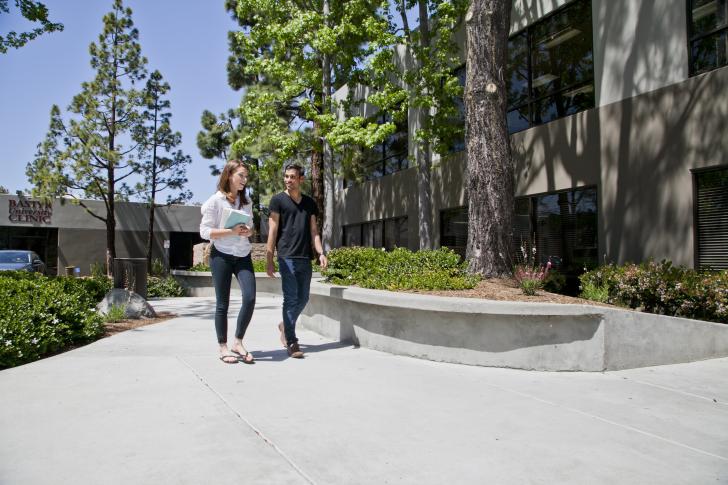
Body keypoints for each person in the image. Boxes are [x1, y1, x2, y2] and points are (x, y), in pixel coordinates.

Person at [266, 163, 328, 358]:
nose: (288, 180)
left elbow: (314, 232)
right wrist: (269, 257)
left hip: (304, 257)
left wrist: (321, 253)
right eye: (286, 176)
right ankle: (292, 341)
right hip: (286, 257)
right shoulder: (277, 200)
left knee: (304, 298)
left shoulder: (309, 203)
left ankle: (285, 324)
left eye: (292, 177)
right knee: (291, 298)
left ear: (301, 179)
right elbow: (273, 230)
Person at [200, 160, 256, 364]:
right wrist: (230, 231)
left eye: (246, 176)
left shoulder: (247, 201)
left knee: (249, 298)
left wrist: (248, 231)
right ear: (229, 175)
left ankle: (238, 342)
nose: (244, 180)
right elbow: (204, 231)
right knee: (222, 304)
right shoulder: (215, 201)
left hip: (243, 254)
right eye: (241, 175)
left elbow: (251, 226)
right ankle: (223, 347)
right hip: (221, 255)